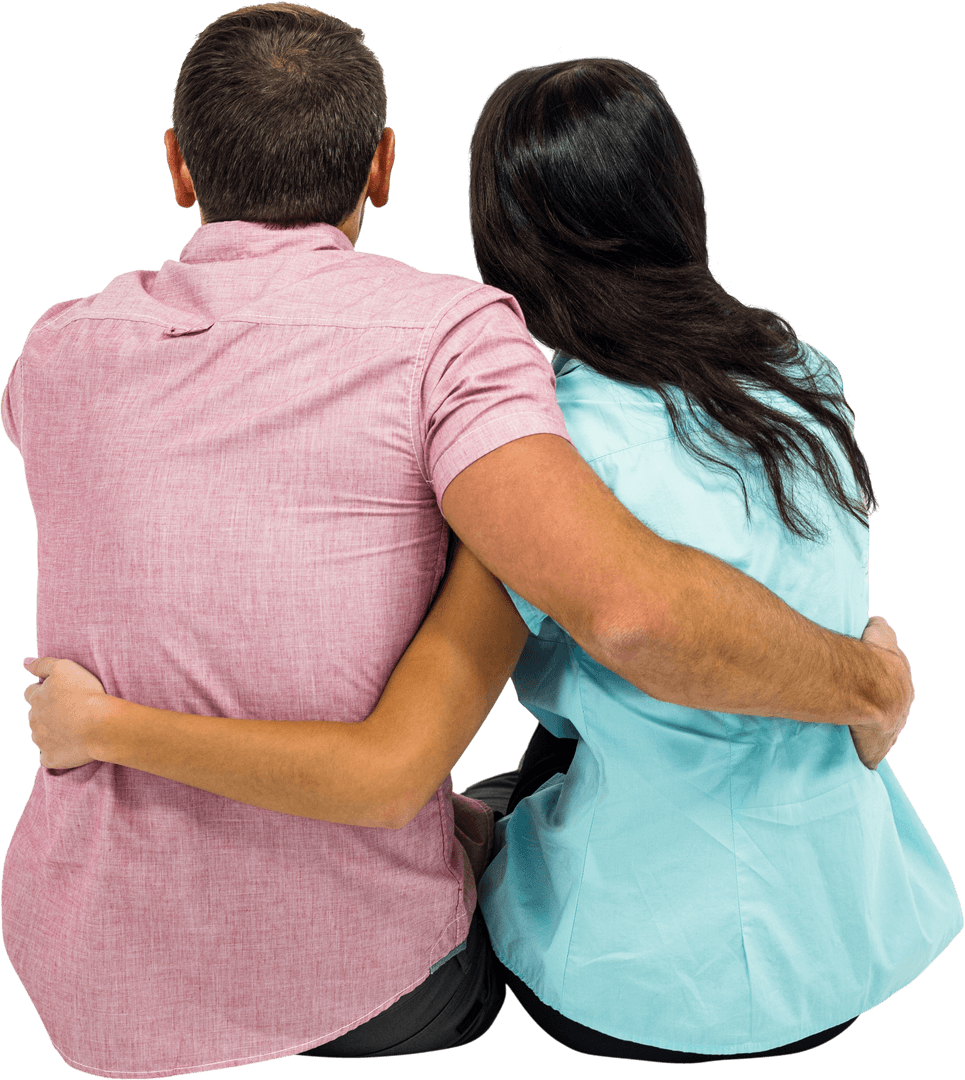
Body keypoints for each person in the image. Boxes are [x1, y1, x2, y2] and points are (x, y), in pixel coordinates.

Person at [4, 5, 920, 1076]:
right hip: (846, 928)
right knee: (501, 782)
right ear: (382, 164)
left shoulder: (57, 352)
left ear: (177, 165)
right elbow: (627, 615)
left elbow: (591, 638)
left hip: (99, 985)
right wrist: (871, 684)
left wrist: (105, 725)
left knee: (497, 782)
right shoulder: (792, 373)